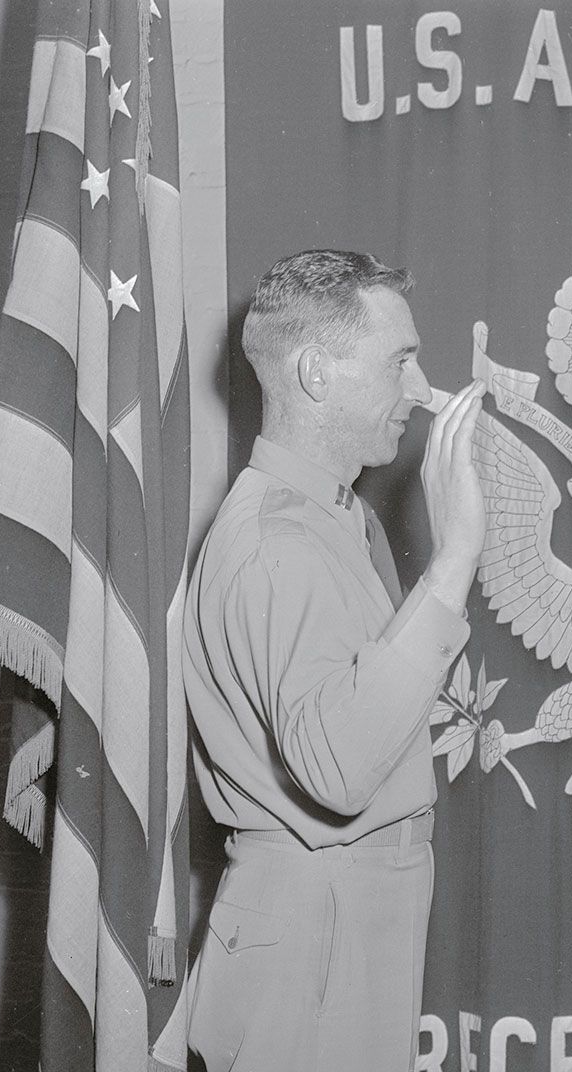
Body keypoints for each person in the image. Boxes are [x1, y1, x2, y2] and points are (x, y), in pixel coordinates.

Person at [183, 249, 486, 1071]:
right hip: (318, 922)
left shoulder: (335, 520)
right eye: (401, 361)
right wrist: (456, 556)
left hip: (343, 910)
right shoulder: (280, 542)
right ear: (317, 373)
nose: (420, 389)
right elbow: (338, 769)